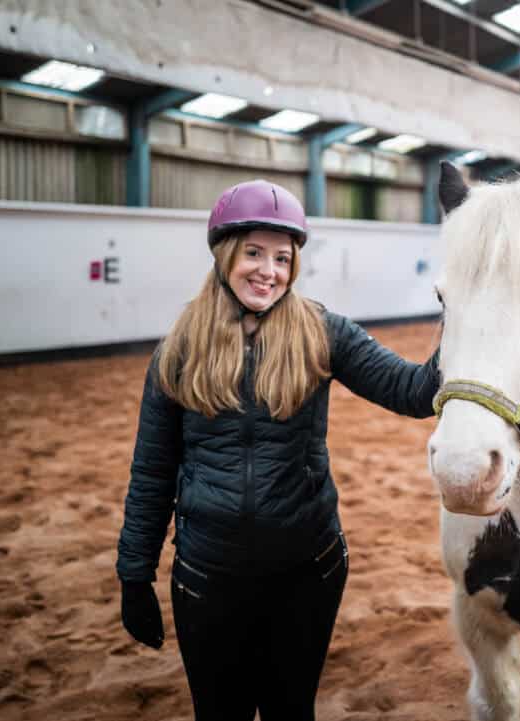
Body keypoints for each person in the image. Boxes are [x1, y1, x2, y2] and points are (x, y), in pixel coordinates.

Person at [116, 179, 440, 720]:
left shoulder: (322, 332)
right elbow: (152, 469)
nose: (268, 270)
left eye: (283, 258)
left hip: (305, 573)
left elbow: (414, 393)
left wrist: (469, 324)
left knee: (292, 710)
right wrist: (134, 573)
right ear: (226, 254)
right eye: (254, 253)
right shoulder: (178, 350)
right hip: (206, 577)